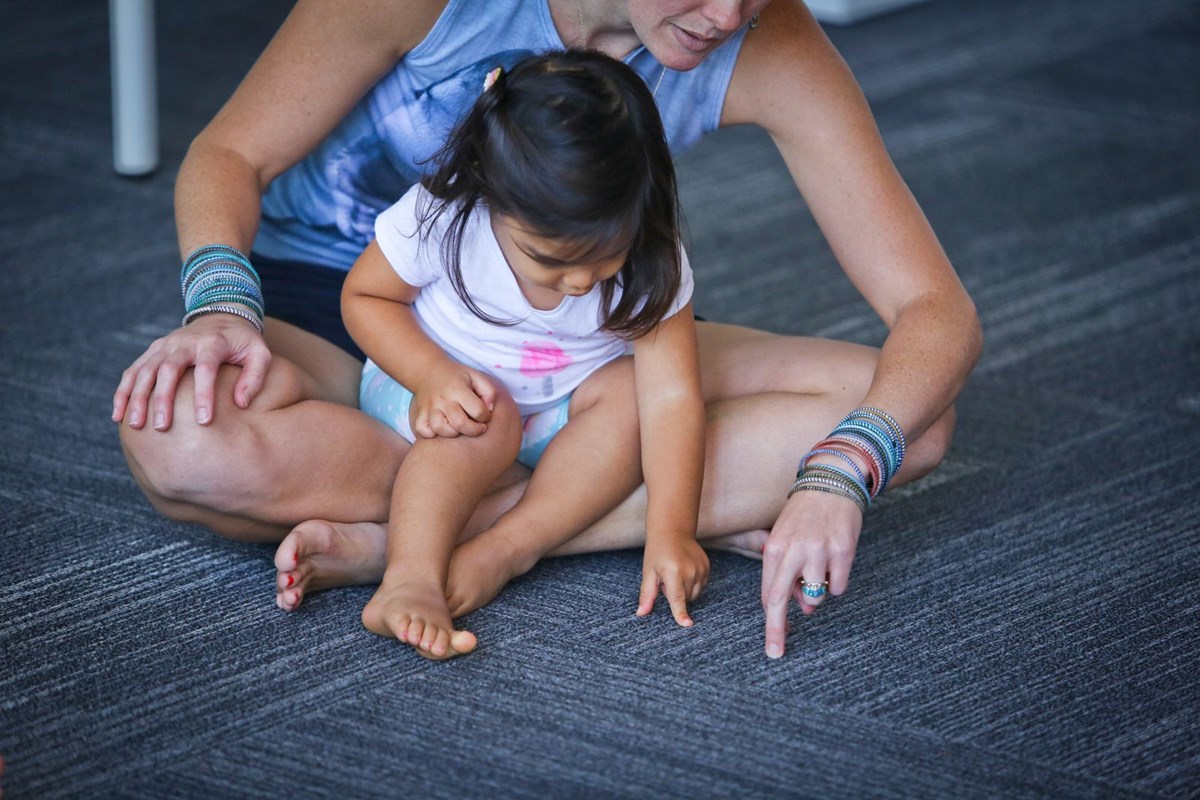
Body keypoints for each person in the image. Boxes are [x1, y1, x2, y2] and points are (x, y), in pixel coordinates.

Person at [112, 0, 983, 659]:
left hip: (586, 341)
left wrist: (838, 473)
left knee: (913, 424)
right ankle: (549, 515)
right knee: (182, 443)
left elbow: (933, 312)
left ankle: (430, 541)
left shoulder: (766, 38)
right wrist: (221, 303)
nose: (726, 16)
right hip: (351, 320)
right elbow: (230, 154)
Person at [343, 51, 708, 659]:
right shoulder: (447, 215)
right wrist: (429, 374)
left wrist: (672, 529)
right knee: (493, 415)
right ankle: (406, 579)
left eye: (605, 256)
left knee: (631, 396)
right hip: (434, 386)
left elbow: (672, 397)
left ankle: (509, 547)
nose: (581, 283)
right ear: (492, 194)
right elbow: (364, 296)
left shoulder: (654, 257)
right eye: (552, 260)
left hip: (562, 406)